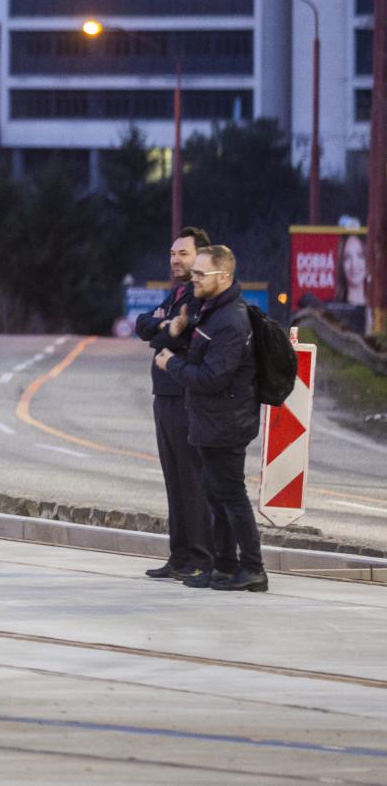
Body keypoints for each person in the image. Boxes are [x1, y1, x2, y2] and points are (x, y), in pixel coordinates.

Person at [155, 244, 267, 592]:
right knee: (217, 496)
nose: (195, 279)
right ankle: (224, 565)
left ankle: (253, 568)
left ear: (224, 277)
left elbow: (212, 378)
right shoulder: (210, 311)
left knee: (231, 496)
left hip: (227, 422)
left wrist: (171, 364)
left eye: (202, 274)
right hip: (211, 421)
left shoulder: (231, 320)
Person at [134, 225, 212, 583]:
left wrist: (162, 329)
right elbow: (143, 325)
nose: (175, 260)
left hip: (184, 396)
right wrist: (162, 326)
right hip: (164, 395)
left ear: (202, 257)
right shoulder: (176, 293)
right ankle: (179, 555)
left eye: (183, 253)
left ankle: (199, 556)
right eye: (172, 253)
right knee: (174, 478)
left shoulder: (196, 296)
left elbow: (172, 337)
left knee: (191, 479)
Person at [341, 233, 368, 308]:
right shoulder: (332, 307)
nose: (354, 264)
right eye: (347, 257)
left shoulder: (380, 308)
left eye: (360, 255)